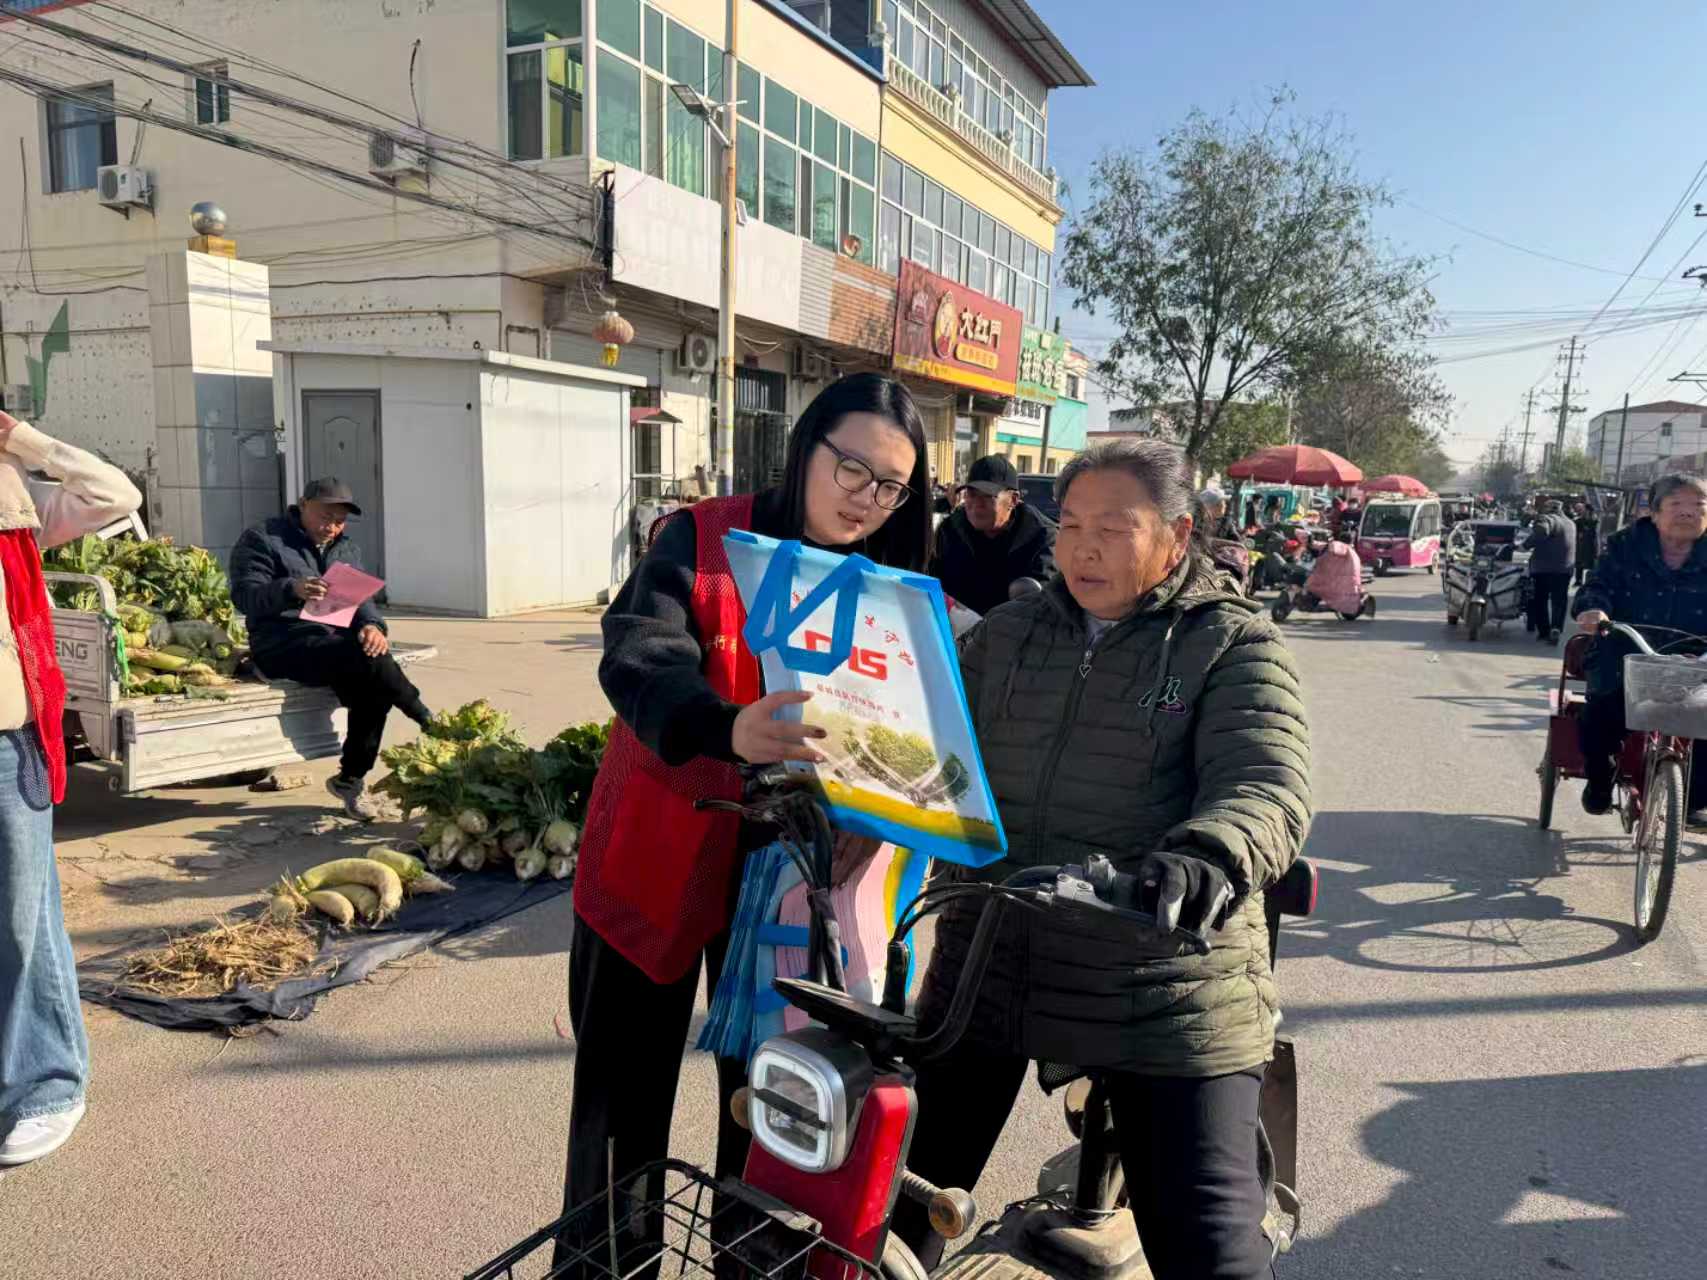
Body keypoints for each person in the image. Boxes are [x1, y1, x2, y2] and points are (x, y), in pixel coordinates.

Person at [893, 438, 1312, 1280]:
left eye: (1113, 529)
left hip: (1160, 978)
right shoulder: (1007, 635)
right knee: (889, 1216)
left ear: (1177, 534)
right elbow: (923, 746)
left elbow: (1265, 781)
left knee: (1211, 1249)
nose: (1082, 549)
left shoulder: (1231, 644)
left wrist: (1206, 855)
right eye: (1071, 526)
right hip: (989, 961)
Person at [555, 373, 932, 1269]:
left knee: (776, 1101)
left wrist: (889, 813)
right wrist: (722, 727)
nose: (865, 498)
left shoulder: (890, 587)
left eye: (890, 486)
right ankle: (606, 1263)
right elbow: (638, 657)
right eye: (851, 469)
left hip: (794, 879)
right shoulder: (700, 538)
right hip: (657, 850)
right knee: (622, 1097)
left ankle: (749, 1261)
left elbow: (912, 729)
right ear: (806, 448)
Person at [0, 408, 142, 1167]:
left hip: (4, 733)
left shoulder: (10, 487)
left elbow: (113, 494)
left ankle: (47, 1086)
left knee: (20, 917)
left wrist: (22, 440)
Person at [229, 478, 432, 820]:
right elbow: (245, 596)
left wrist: (372, 626)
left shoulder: (345, 548)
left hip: (331, 641)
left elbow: (361, 600)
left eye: (340, 521)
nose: (332, 527)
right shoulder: (263, 538)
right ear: (302, 505)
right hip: (281, 643)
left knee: (375, 683)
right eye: (325, 517)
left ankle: (349, 779)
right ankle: (423, 716)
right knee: (367, 663)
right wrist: (291, 589)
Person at [1573, 473, 1707, 822]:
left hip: (1696, 658)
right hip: (1627, 652)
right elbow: (1598, 585)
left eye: (1699, 505)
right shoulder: (1625, 546)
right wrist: (1594, 609)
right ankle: (1599, 780)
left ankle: (1695, 800)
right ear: (1655, 512)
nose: (1689, 512)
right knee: (1600, 714)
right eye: (1677, 504)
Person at [927, 455, 1055, 616]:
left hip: (1010, 628)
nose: (977, 504)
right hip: (955, 625)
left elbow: (1044, 608)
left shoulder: (1041, 538)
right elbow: (933, 586)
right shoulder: (951, 530)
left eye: (988, 495)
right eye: (971, 494)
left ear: (1013, 500)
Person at [1524, 499, 1576, 644]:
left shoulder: (1547, 519)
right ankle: (1556, 627)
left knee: (1540, 600)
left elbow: (1542, 530)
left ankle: (1544, 631)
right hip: (1564, 569)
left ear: (1548, 508)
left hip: (1543, 568)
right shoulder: (1571, 523)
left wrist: (1525, 546)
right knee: (1559, 601)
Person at [1573, 501, 1600, 587]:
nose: (1582, 511)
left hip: (1590, 545)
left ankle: (1590, 581)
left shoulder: (1594, 521)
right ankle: (1578, 580)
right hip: (1581, 545)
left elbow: (1596, 535)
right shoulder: (1579, 521)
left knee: (1591, 564)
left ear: (1588, 510)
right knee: (1579, 563)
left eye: (1584, 509)